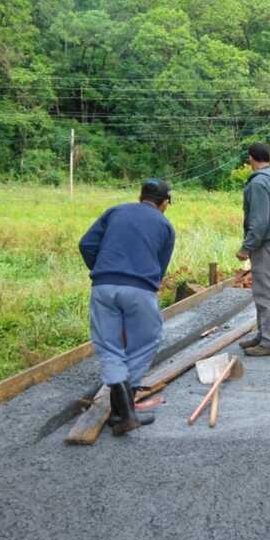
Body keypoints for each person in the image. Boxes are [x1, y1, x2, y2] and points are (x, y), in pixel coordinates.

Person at [79, 179, 175, 434]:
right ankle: (126, 412)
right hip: (140, 290)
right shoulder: (165, 225)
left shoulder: (116, 211)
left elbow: (86, 244)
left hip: (103, 286)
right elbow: (160, 267)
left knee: (109, 347)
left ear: (140, 195)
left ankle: (121, 412)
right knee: (146, 343)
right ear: (164, 203)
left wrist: (103, 270)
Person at [236, 142, 270, 357]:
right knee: (262, 293)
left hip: (265, 245)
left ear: (251, 158)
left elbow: (259, 221)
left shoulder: (259, 183)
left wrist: (246, 247)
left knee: (266, 295)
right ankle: (263, 335)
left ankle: (269, 342)